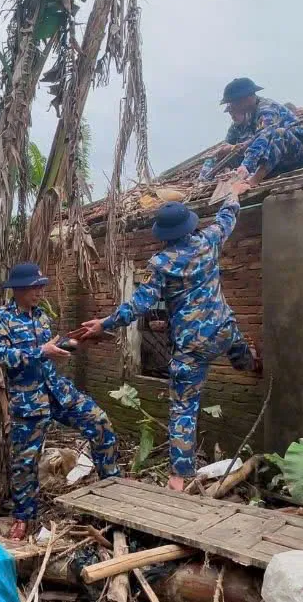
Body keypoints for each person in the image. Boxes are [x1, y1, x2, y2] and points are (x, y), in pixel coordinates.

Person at [78, 187, 262, 492]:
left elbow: (138, 305)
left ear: (163, 234)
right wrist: (233, 193)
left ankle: (178, 477)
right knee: (238, 347)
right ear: (189, 226)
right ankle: (251, 362)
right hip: (223, 329)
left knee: (183, 408)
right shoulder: (208, 240)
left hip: (192, 346)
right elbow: (227, 217)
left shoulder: (161, 263)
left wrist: (104, 324)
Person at [0, 262, 120, 541]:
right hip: (28, 399)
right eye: (34, 287)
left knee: (100, 422)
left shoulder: (42, 317)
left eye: (41, 287)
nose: (40, 292)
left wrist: (76, 343)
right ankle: (23, 517)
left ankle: (112, 485)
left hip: (58, 392)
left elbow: (50, 351)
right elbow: (0, 356)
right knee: (25, 462)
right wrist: (41, 351)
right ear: (18, 289)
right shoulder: (2, 318)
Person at [214, 77, 303, 187]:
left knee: (279, 133)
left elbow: (264, 136)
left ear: (247, 99)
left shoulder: (267, 109)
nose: (232, 107)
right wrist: (229, 150)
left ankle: (254, 180)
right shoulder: (247, 117)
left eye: (234, 103)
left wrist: (246, 165)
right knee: (229, 153)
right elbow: (226, 148)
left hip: (299, 155)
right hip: (276, 161)